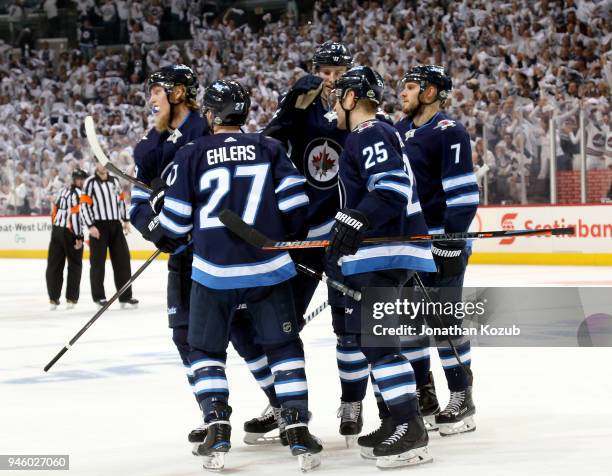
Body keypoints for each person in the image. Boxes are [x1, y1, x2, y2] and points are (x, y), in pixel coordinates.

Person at [158, 80, 321, 471]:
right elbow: (298, 209)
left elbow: (174, 224)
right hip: (269, 270)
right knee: (283, 349)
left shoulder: (191, 153)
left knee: (206, 351)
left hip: (213, 274)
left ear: (211, 115)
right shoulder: (270, 148)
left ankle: (216, 424)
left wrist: (163, 224)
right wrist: (282, 233)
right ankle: (296, 426)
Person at [130, 65, 285, 451]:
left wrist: (185, 223)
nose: (151, 100)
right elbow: (138, 202)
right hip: (184, 259)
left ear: (179, 92)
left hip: (222, 255)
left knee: (245, 334)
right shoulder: (151, 144)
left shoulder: (208, 129)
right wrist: (157, 231)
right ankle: (213, 413)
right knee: (185, 335)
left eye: (157, 91)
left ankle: (281, 404)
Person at [327, 66, 437, 468]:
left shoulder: (368, 132)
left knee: (379, 346)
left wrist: (357, 218)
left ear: (352, 98)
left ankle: (409, 427)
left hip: (384, 252)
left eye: (338, 96)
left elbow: (391, 189)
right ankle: (394, 418)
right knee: (377, 343)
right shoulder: (376, 132)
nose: (334, 103)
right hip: (389, 252)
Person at [264, 41, 367, 442]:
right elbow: (266, 139)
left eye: (337, 71)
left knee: (352, 326)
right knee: (282, 325)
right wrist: (292, 103)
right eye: (324, 71)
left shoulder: (359, 111)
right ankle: (283, 405)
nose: (330, 78)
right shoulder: (298, 108)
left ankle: (354, 401)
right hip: (301, 237)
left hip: (345, 235)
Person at [395, 65, 479, 436]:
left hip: (441, 242)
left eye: (411, 87)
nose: (403, 93)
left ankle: (462, 398)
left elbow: (463, 194)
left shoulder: (450, 132)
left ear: (430, 93)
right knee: (410, 323)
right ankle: (424, 394)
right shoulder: (398, 131)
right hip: (410, 244)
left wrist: (451, 240)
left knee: (444, 321)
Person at [80, 161, 138, 309]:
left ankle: (125, 296)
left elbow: (121, 201)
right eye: (99, 161)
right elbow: (84, 205)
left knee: (123, 261)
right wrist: (90, 226)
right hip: (98, 227)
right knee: (98, 263)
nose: (103, 165)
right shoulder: (90, 183)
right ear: (96, 164)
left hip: (115, 225)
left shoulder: (114, 180)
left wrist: (125, 220)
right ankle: (99, 297)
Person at [45, 168, 87, 310]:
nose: (81, 182)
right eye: (80, 179)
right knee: (75, 265)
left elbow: (54, 211)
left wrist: (55, 228)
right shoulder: (80, 194)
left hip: (57, 231)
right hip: (70, 232)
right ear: (77, 179)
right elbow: (76, 216)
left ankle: (53, 298)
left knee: (54, 265)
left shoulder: (63, 190)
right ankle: (71, 299)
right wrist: (79, 236)